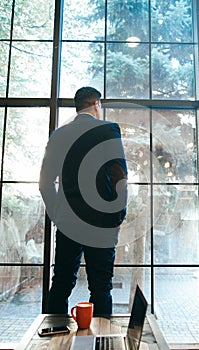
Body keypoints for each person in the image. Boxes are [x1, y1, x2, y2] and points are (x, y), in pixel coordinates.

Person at [39, 86, 127, 316]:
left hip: (69, 222)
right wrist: (118, 215)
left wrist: (59, 214)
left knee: (61, 284)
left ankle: (54, 341)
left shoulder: (59, 135)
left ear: (77, 106)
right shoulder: (108, 130)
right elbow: (119, 176)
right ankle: (99, 343)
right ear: (96, 105)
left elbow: (45, 183)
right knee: (100, 287)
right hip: (102, 223)